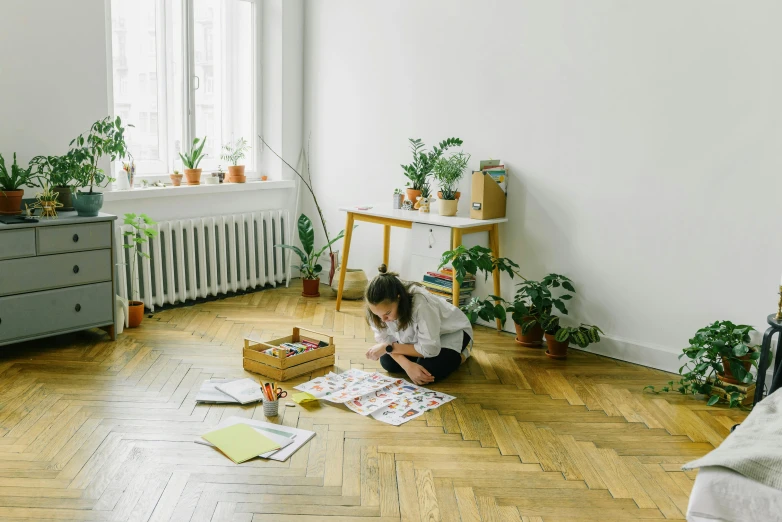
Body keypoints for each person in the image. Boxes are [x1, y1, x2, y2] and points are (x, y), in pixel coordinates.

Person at [364, 264, 473, 385]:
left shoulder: (422, 304)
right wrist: (407, 366)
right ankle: (417, 359)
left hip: (451, 332)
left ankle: (462, 355)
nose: (383, 320)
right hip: (418, 340)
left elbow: (430, 349)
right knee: (387, 362)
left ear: (398, 298)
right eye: (378, 315)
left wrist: (387, 347)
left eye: (388, 313)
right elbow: (385, 341)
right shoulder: (376, 308)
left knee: (430, 371)